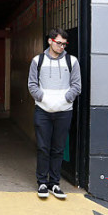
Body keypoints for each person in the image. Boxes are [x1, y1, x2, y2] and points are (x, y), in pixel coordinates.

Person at [27, 28, 81, 200]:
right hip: (42, 111)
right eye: (59, 43)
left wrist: (65, 99)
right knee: (43, 148)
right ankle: (42, 182)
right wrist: (44, 99)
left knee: (58, 149)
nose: (62, 47)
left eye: (64, 44)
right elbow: (32, 85)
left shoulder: (72, 61)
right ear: (50, 41)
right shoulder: (38, 61)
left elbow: (77, 86)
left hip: (64, 111)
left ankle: (54, 184)